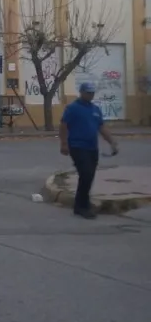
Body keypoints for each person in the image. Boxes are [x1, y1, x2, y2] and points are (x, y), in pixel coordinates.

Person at [60, 82, 119, 219]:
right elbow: (64, 125)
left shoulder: (95, 109)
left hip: (92, 147)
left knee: (89, 176)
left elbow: (101, 127)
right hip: (77, 146)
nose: (90, 95)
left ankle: (80, 204)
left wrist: (112, 142)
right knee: (86, 174)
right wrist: (64, 144)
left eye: (92, 92)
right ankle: (82, 206)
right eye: (88, 92)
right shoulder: (73, 108)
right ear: (81, 92)